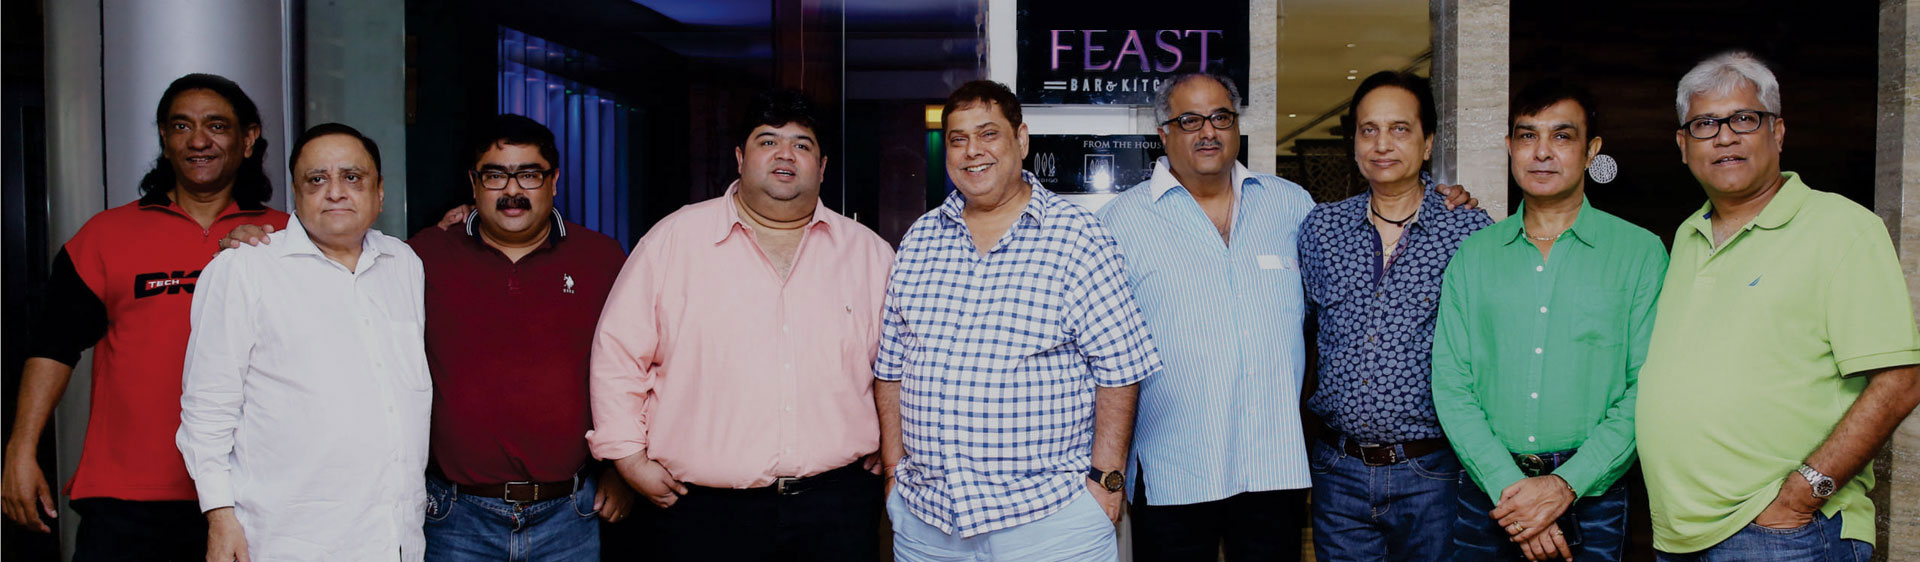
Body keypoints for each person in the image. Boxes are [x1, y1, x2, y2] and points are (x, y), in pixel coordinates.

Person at [588, 89, 895, 561]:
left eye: (802, 144)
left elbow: (901, 365)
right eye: (767, 141)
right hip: (701, 512)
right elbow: (617, 356)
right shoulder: (674, 241)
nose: (785, 155)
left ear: (822, 166)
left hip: (837, 507)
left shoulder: (869, 254)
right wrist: (627, 457)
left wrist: (893, 439)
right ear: (739, 157)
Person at [1637, 51, 1920, 562]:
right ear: (1683, 145)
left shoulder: (1842, 227)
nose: (1724, 137)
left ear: (1778, 131)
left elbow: (1901, 380)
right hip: (1681, 535)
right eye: (1705, 124)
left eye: (1744, 119)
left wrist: (1803, 493)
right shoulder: (1687, 235)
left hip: (1782, 535)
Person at [1, 73, 288, 561]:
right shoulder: (105, 235)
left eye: (217, 125)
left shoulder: (284, 240)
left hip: (251, 495)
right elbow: (53, 346)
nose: (198, 140)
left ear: (248, 138)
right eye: (181, 126)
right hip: (125, 502)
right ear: (163, 137)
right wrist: (20, 450)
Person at [875, 79, 1162, 562]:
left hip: (1049, 523)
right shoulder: (920, 238)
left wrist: (1107, 482)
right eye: (958, 139)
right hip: (929, 523)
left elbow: (1120, 371)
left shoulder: (1078, 237)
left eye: (988, 134)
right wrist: (892, 473)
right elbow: (891, 368)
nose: (972, 151)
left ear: (1021, 140)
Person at [1431, 79, 1665, 562]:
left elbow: (1648, 387)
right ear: (1509, 147)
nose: (1541, 152)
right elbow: (1451, 383)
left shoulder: (1640, 253)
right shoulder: (1474, 256)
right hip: (1487, 493)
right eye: (1527, 136)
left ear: (1591, 150)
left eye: (1561, 136)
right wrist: (1510, 488)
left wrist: (1565, 485)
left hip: (1594, 494)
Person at [178, 123, 430, 561]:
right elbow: (207, 408)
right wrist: (220, 516)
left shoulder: (403, 262)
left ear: (380, 192)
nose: (335, 192)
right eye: (317, 179)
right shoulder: (245, 269)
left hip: (395, 538)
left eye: (352, 177)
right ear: (295, 194)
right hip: (288, 540)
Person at [1093, 73, 1316, 562]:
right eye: (1190, 120)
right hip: (1173, 470)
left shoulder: (1291, 205)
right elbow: (1101, 354)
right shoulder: (1119, 223)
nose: (1208, 131)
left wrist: (1435, 199)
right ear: (1163, 134)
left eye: (1220, 117)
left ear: (1236, 125)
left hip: (1274, 466)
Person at [1298, 70, 1493, 562]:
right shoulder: (1322, 229)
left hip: (1432, 472)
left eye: (1400, 129)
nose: (1382, 144)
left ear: (1427, 144)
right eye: (1369, 130)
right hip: (1337, 471)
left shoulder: (1468, 231)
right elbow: (1301, 334)